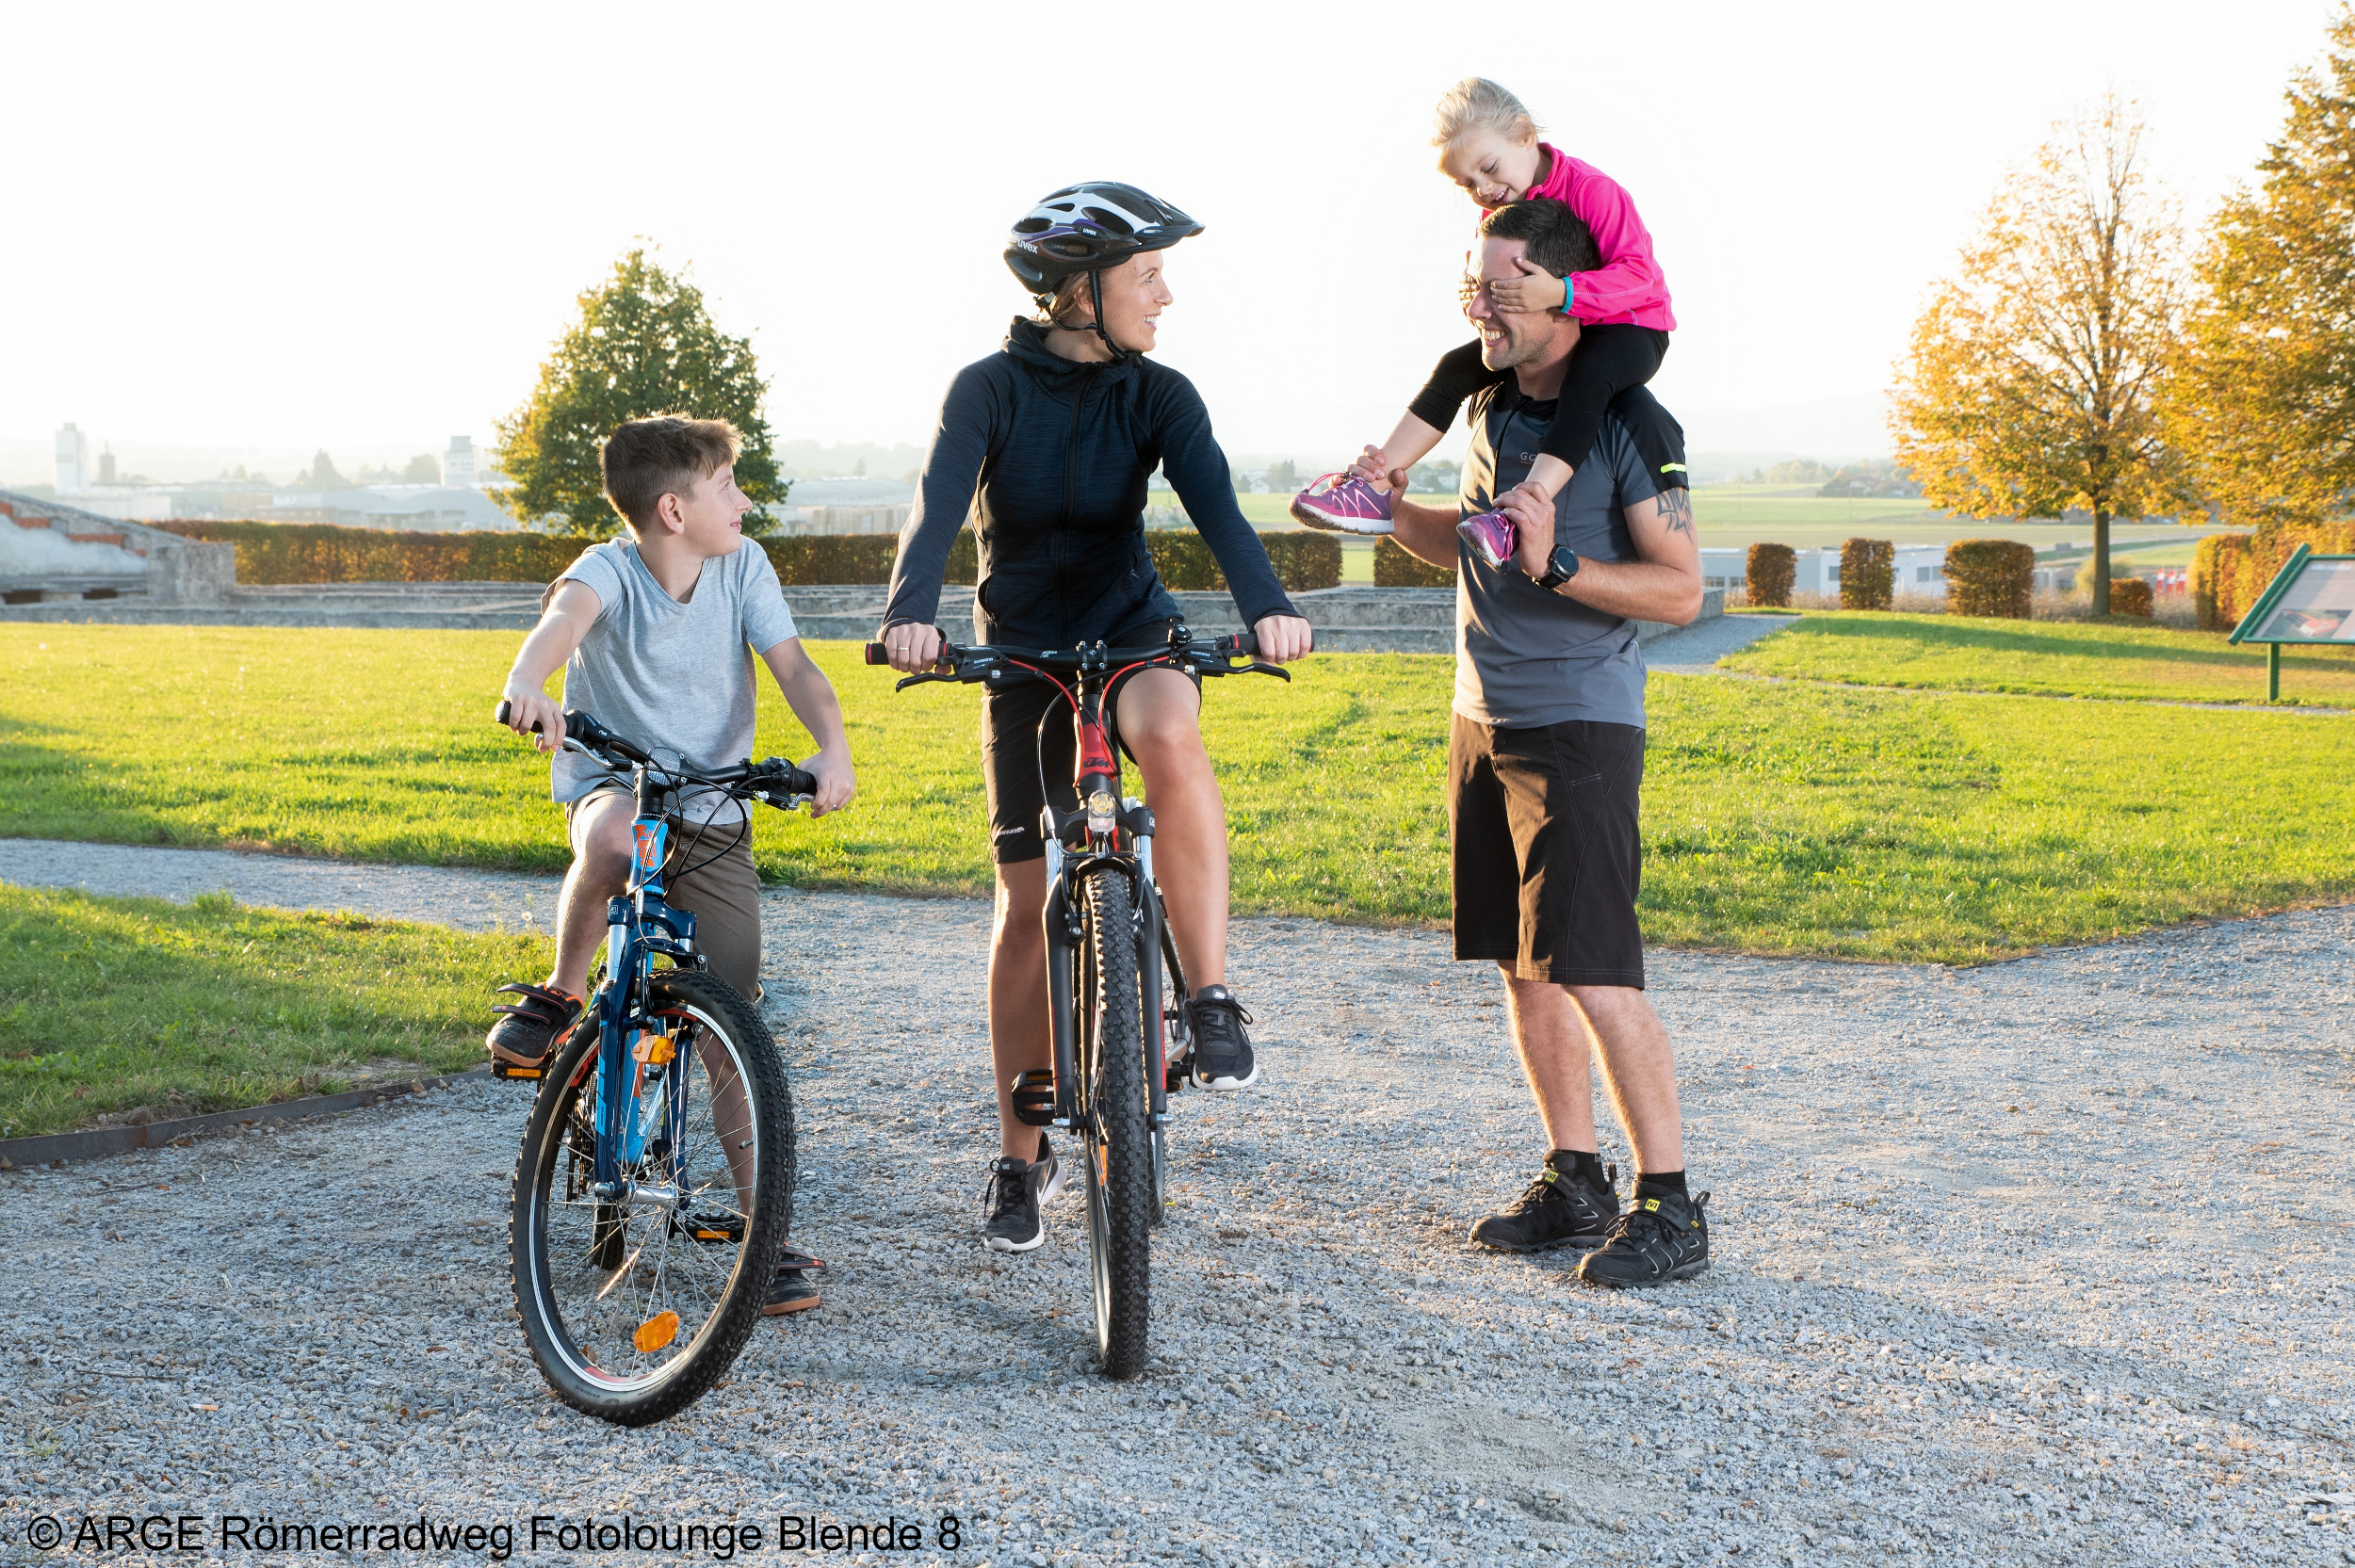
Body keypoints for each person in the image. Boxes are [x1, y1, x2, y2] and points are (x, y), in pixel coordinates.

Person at [878, 182, 1314, 1255]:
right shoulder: (985, 390)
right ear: (1078, 290)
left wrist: (1268, 609)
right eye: (1145, 275)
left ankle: (1208, 997)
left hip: (1131, 630)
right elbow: (937, 506)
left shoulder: (1159, 394)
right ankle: (1017, 1160)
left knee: (1169, 732)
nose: (1164, 295)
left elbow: (1216, 505)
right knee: (1025, 904)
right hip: (1020, 653)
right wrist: (908, 615)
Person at [1368, 197, 1711, 1287]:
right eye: (1474, 285)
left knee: (1598, 973)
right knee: (1522, 970)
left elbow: (1681, 593)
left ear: (1562, 295)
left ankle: (1671, 1206)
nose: (1483, 306)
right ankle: (1576, 1178)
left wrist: (1560, 567)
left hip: (1581, 726)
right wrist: (1382, 513)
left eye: (1501, 286)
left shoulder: (1627, 425)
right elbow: (1468, 544)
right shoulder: (1482, 403)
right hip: (1483, 717)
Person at [487, 414, 855, 1313]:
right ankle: (565, 990)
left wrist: (831, 746)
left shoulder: (744, 566)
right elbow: (561, 622)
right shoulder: (607, 568)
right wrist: (526, 683)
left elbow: (797, 668)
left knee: (733, 1022)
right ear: (672, 509)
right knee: (615, 840)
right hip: (622, 785)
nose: (744, 499)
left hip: (714, 803)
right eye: (727, 485)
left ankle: (763, 1233)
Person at [1292, 77, 1677, 574]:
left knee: (1590, 377)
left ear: (1523, 134)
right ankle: (1374, 485)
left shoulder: (1595, 191)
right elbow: (1483, 279)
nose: (1484, 190)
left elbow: (1641, 277)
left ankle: (1518, 515)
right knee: (1456, 366)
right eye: (1467, 183)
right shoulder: (1495, 210)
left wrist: (1562, 293)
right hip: (1562, 323)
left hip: (1631, 327)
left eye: (1488, 169)